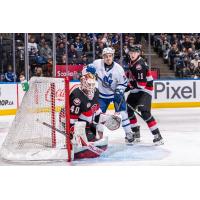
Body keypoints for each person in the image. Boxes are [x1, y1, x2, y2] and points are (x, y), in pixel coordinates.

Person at [59, 66, 121, 143]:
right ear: (83, 81)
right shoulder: (77, 96)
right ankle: (76, 139)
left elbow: (96, 110)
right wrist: (71, 130)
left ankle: (86, 133)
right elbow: (72, 118)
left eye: (92, 84)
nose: (91, 87)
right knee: (87, 138)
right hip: (69, 121)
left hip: (84, 121)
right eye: (89, 84)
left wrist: (104, 118)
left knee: (95, 132)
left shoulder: (96, 91)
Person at [91, 47, 135, 144]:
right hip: (102, 95)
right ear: (103, 56)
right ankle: (99, 133)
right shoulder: (97, 63)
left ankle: (128, 133)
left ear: (113, 56)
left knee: (123, 113)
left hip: (116, 95)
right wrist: (88, 70)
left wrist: (119, 90)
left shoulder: (119, 69)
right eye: (106, 56)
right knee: (99, 114)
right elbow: (86, 71)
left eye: (110, 56)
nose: (108, 58)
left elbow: (123, 83)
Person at [126, 45, 164, 145]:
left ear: (138, 53)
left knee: (145, 112)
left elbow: (141, 85)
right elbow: (130, 76)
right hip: (136, 89)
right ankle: (135, 132)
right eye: (131, 52)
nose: (132, 54)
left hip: (145, 90)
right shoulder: (131, 62)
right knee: (128, 110)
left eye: (134, 52)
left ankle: (157, 135)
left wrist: (127, 87)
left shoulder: (140, 65)